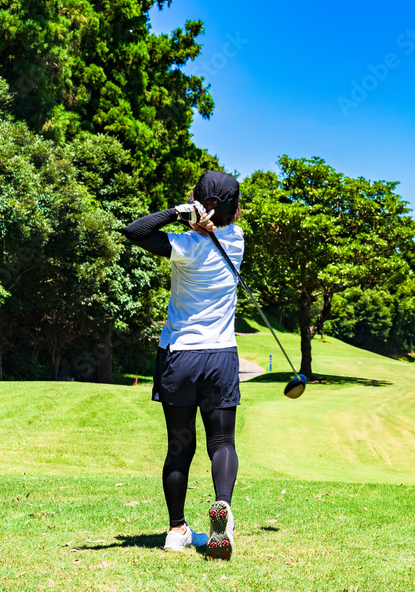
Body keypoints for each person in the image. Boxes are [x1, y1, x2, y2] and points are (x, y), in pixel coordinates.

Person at [120, 171, 244, 559]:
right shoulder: (238, 240)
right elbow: (219, 225)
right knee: (222, 443)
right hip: (221, 355)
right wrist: (202, 218)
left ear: (195, 202)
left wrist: (179, 212)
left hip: (179, 356)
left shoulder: (183, 246)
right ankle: (223, 507)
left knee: (180, 447)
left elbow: (135, 231)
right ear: (236, 210)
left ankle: (176, 531)